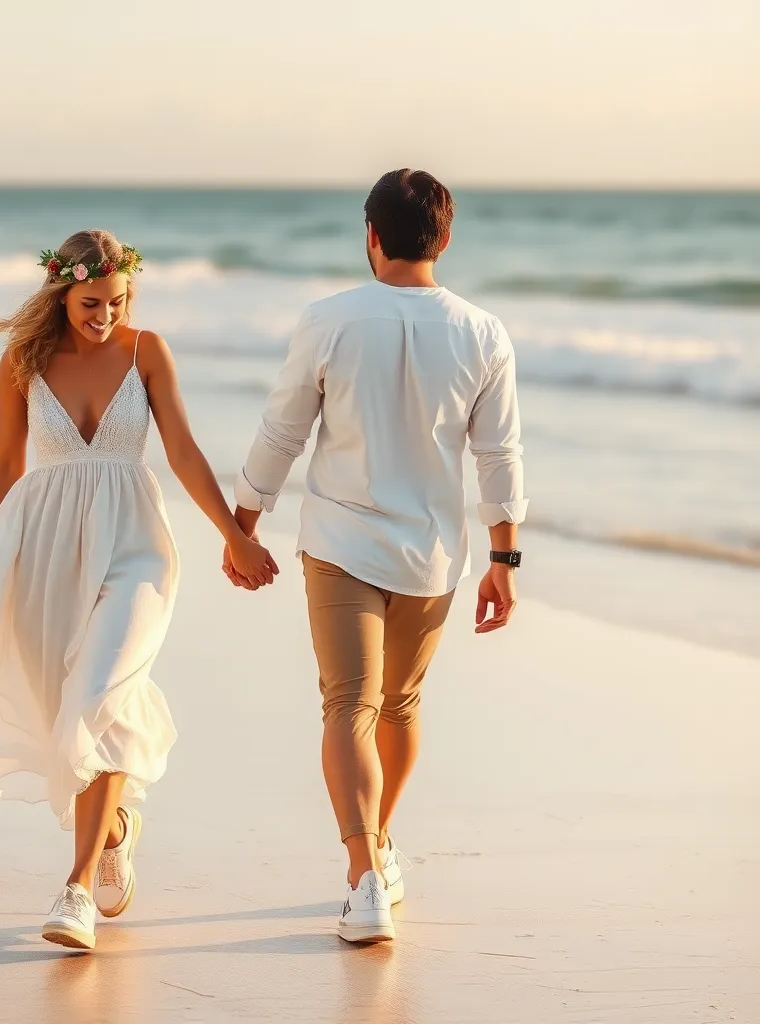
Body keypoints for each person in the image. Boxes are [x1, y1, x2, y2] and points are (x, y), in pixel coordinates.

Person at [0, 229, 277, 952]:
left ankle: (78, 888)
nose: (106, 316)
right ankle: (118, 827)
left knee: (101, 696)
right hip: (44, 547)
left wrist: (232, 533)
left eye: (118, 301)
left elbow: (181, 448)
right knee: (68, 717)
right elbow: (5, 463)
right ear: (62, 292)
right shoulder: (21, 361)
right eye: (92, 303)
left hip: (135, 548)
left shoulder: (146, 351)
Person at [225, 170, 528, 944]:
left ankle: (367, 872)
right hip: (434, 550)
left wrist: (244, 520)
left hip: (340, 540)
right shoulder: (483, 332)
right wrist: (506, 559)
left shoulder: (328, 320)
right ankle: (375, 857)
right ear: (446, 239)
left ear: (370, 235)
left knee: (348, 707)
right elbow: (498, 455)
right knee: (396, 706)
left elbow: (283, 430)